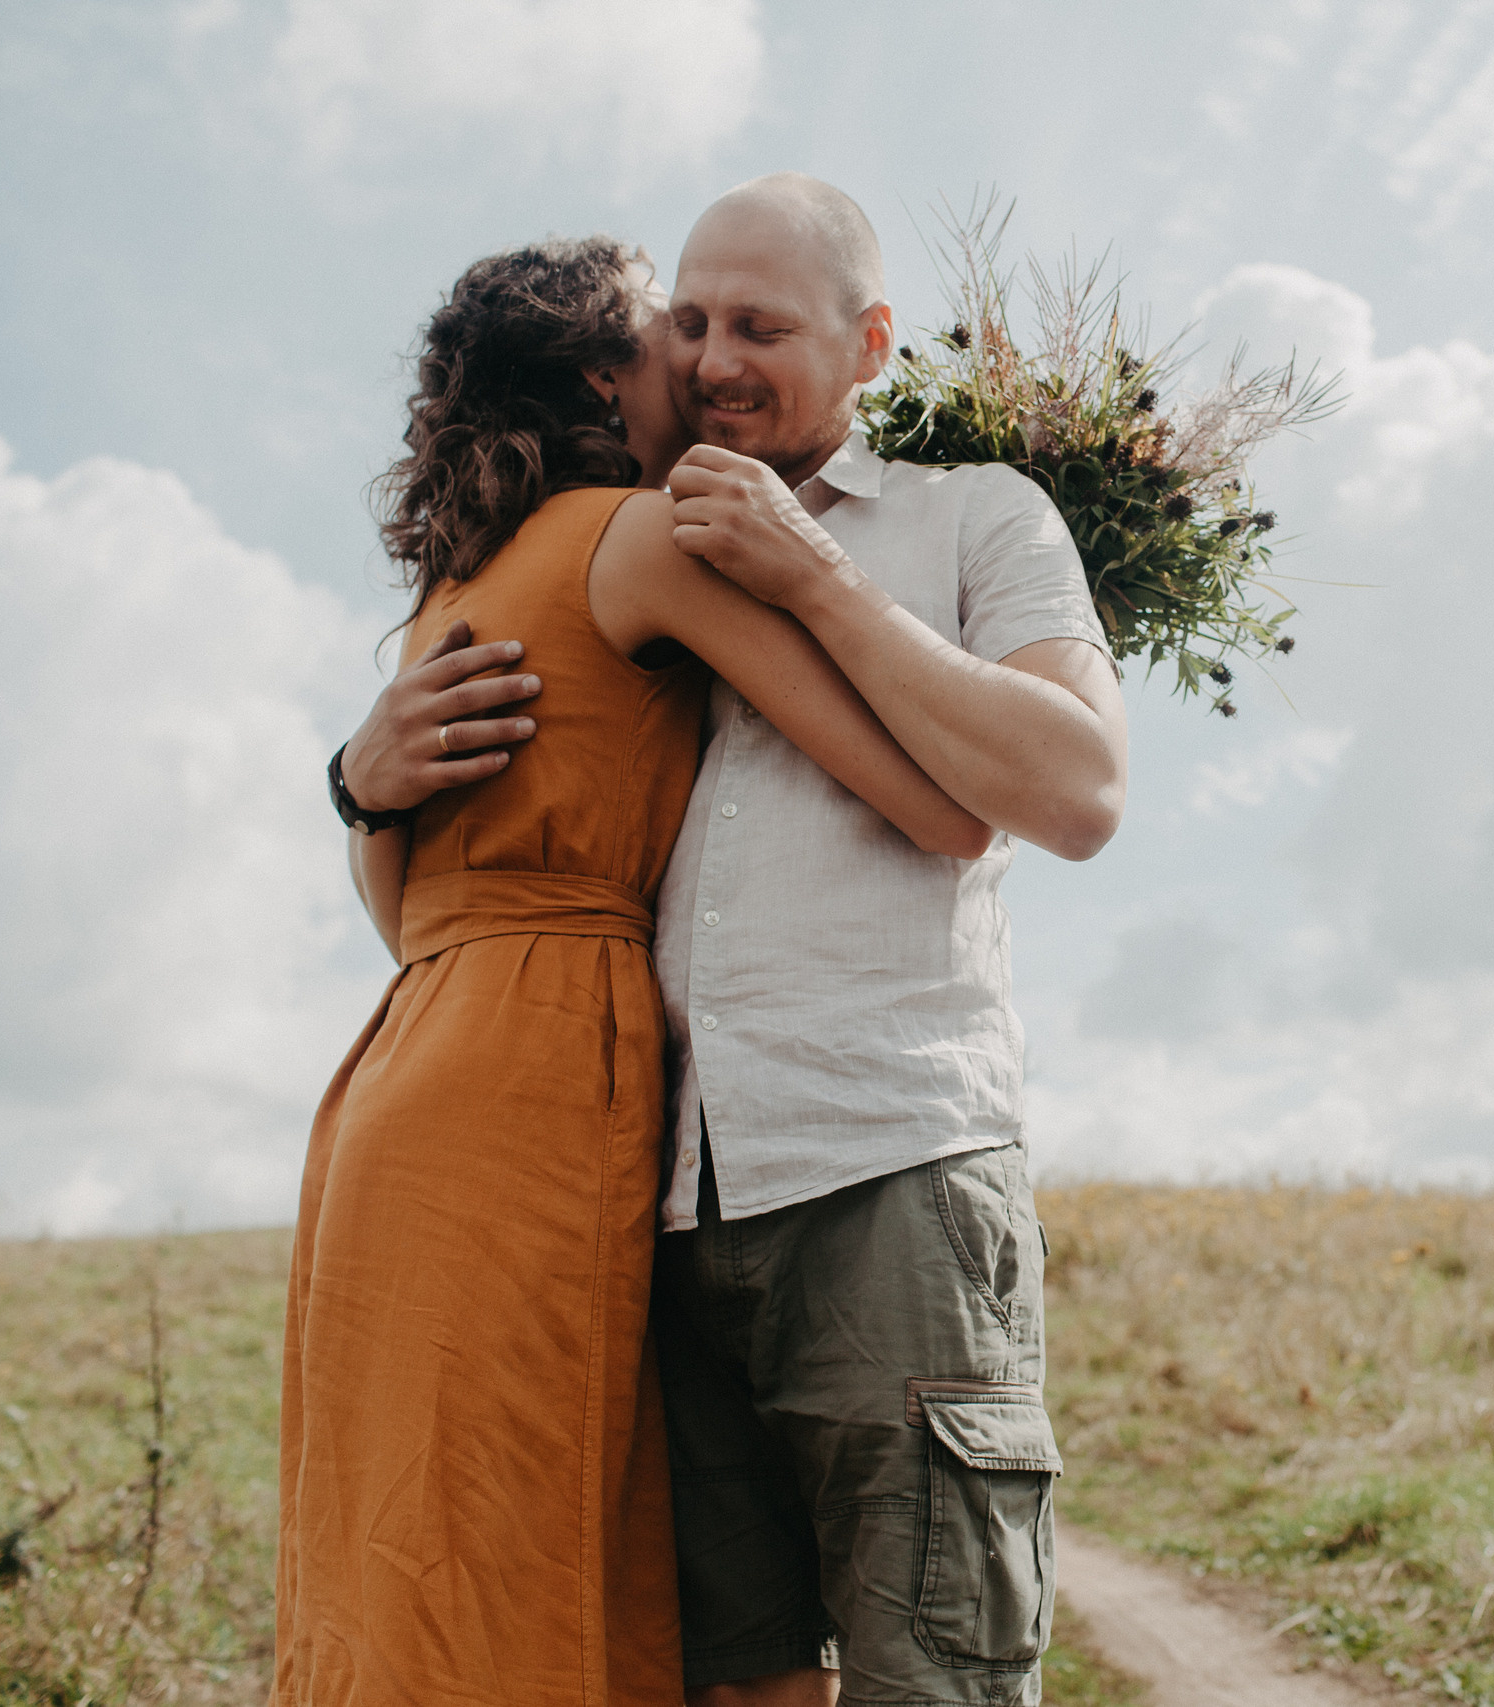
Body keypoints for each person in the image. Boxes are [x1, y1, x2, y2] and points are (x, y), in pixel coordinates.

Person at [342, 173, 1131, 1707]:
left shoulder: (975, 515)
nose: (711, 361)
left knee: (939, 1676)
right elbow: (479, 881)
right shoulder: (625, 545)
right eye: (690, 323)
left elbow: (1078, 792)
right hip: (651, 1205)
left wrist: (811, 572)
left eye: (759, 327)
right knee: (725, 1685)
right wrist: (357, 782)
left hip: (884, 1164)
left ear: (870, 344)